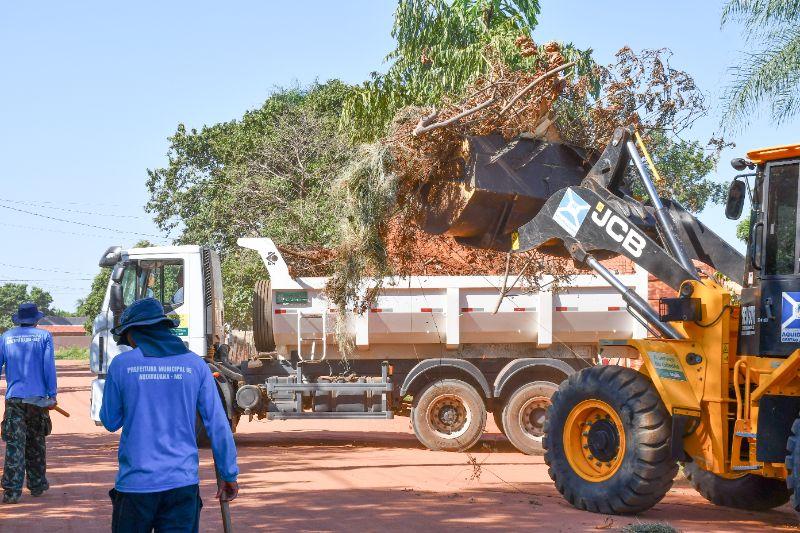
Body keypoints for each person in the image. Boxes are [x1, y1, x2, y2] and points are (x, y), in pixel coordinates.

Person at [100, 298, 238, 532]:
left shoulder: (121, 365)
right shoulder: (195, 365)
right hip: (181, 484)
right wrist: (228, 473)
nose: (130, 344)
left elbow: (110, 421)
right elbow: (218, 425)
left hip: (135, 486)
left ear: (135, 333)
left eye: (128, 337)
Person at [0, 302, 58, 504]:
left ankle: (11, 491)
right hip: (38, 400)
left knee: (15, 445)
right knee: (36, 442)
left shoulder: (5, 337)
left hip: (14, 399)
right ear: (36, 320)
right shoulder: (44, 337)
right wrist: (52, 395)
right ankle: (37, 484)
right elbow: (48, 366)